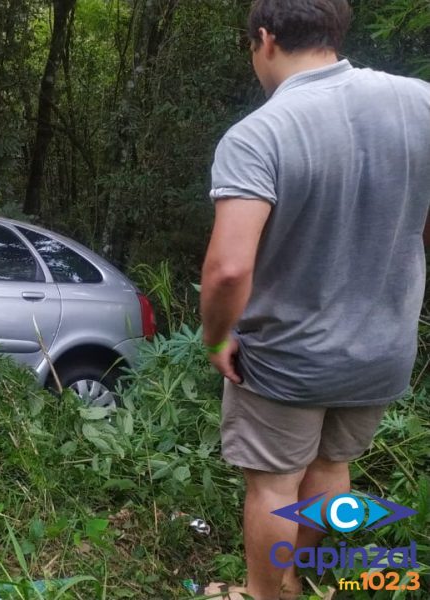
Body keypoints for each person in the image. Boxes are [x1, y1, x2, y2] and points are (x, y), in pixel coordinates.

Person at [199, 0, 430, 598]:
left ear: (265, 39)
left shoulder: (260, 134)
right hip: (382, 348)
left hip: (287, 358)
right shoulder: (420, 103)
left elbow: (227, 269)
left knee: (275, 485)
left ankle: (268, 593)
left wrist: (219, 338)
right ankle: (305, 583)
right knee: (330, 469)